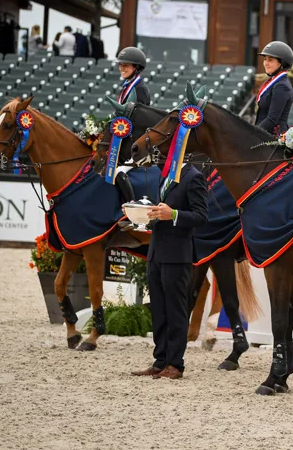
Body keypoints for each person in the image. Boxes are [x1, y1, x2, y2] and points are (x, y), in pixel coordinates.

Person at [131, 163, 208, 379]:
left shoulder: (194, 177)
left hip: (177, 254)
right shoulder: (166, 174)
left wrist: (173, 214)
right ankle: (160, 360)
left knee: (175, 309)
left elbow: (201, 216)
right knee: (159, 309)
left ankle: (176, 363)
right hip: (156, 251)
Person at [113, 46, 151, 205]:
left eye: (126, 65)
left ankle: (131, 206)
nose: (122, 68)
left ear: (136, 68)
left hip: (134, 143)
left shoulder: (139, 89)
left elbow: (140, 120)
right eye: (121, 65)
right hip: (124, 140)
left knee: (119, 172)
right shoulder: (127, 86)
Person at [254, 41, 293, 135]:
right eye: (265, 59)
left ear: (282, 63)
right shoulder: (273, 82)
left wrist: (252, 133)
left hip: (273, 137)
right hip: (263, 134)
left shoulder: (282, 86)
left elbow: (272, 119)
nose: (266, 63)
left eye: (270, 60)